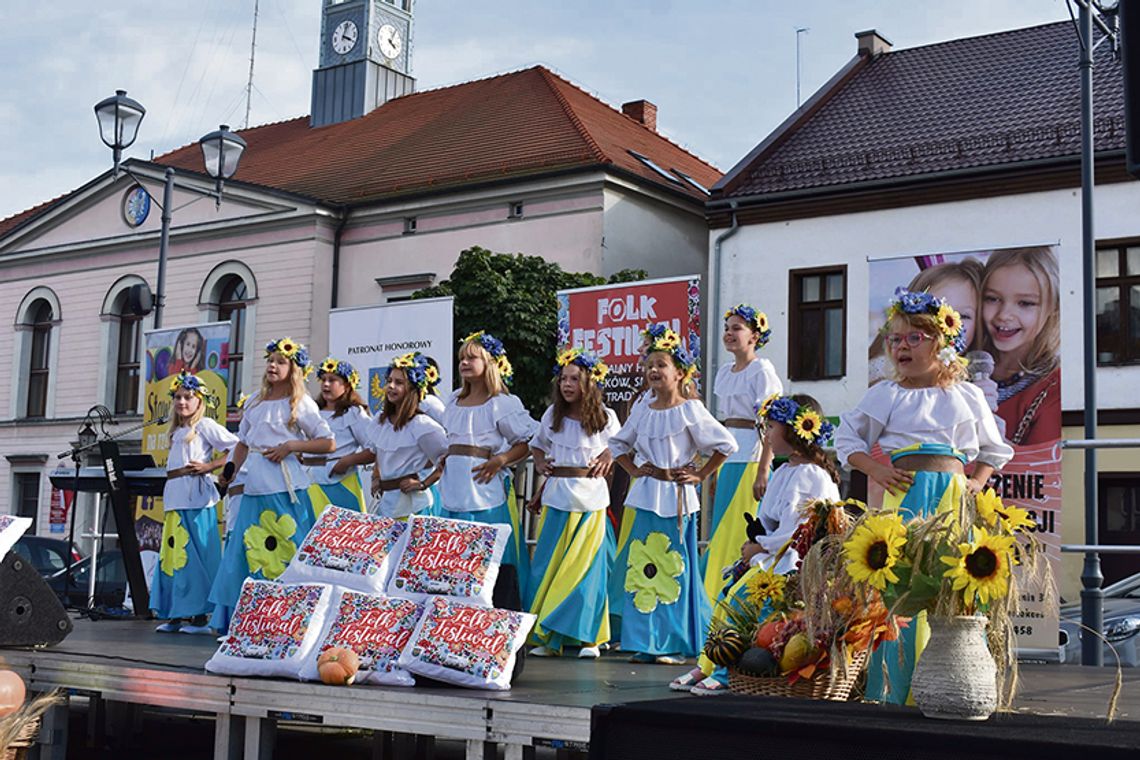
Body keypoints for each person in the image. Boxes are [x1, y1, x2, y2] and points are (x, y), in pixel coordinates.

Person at [835, 288, 1013, 704]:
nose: (901, 347)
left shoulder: (966, 395)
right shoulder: (886, 394)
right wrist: (876, 467)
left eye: (914, 338)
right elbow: (847, 438)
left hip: (951, 498)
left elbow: (994, 449)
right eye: (895, 339)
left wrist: (977, 481)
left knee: (952, 584)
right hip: (906, 499)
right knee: (901, 586)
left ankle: (950, 684)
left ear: (941, 342)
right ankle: (895, 688)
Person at [672, 392, 841, 695]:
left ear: (793, 430)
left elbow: (799, 531)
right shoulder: (785, 470)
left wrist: (760, 547)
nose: (767, 436)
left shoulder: (811, 475)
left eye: (772, 428)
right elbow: (767, 520)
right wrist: (754, 545)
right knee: (727, 596)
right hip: (772, 553)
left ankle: (727, 672)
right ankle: (708, 664)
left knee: (743, 603)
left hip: (793, 560)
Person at [608, 328, 737, 664]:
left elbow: (726, 445)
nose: (653, 370)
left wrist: (700, 473)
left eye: (661, 364)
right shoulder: (642, 410)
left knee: (671, 567)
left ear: (679, 372)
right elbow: (618, 444)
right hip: (648, 493)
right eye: (649, 364)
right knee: (643, 566)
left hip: (677, 497)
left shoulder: (691, 410)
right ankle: (644, 641)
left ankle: (671, 642)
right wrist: (633, 469)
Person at [209, 337, 335, 632]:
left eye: (281, 361)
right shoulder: (254, 401)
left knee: (286, 549)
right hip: (255, 486)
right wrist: (228, 472)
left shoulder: (299, 403)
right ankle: (245, 620)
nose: (273, 366)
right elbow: (242, 444)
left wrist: (291, 445)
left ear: (293, 368)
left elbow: (327, 442)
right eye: (270, 361)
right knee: (249, 549)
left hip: (286, 489)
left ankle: (289, 620)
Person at [526, 348, 620, 658]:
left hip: (590, 499)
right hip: (557, 496)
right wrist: (540, 464)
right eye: (564, 379)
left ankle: (589, 637)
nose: (567, 385)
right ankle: (549, 637)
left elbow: (621, 446)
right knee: (549, 567)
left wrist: (608, 455)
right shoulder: (552, 415)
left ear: (590, 383)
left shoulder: (606, 417)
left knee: (585, 570)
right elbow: (536, 446)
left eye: (575, 379)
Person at [438, 331, 537, 604]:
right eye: (462, 358)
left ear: (489, 363)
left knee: (491, 551)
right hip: (453, 486)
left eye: (472, 358)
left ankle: (498, 606)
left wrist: (501, 460)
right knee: (455, 551)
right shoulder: (453, 399)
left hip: (483, 488)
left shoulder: (501, 403)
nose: (464, 363)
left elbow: (526, 441)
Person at [700, 303, 782, 604]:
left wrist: (763, 469)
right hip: (729, 455)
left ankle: (732, 596)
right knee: (721, 525)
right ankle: (711, 595)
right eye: (727, 328)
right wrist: (712, 467)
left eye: (737, 328)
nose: (729, 334)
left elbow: (770, 423)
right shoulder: (724, 372)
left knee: (741, 527)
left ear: (754, 336)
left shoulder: (762, 370)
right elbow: (722, 424)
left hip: (751, 456)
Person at [151, 371, 237, 635]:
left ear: (199, 401)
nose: (182, 402)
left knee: (197, 556)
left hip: (197, 499)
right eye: (178, 397)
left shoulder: (206, 426)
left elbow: (236, 446)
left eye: (188, 397)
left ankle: (201, 616)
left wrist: (211, 466)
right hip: (176, 499)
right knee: (175, 556)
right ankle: (175, 614)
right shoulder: (176, 430)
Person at [980, 247, 1061, 447]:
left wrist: (996, 441)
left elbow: (1044, 470)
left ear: (1053, 307)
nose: (1004, 314)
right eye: (993, 299)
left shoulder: (1054, 388)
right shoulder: (958, 366)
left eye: (1025, 303)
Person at [868, 259, 985, 387]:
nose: (944, 328)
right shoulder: (887, 375)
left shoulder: (974, 375)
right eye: (934, 312)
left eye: (963, 316)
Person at [367, 352, 448, 519]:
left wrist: (423, 483)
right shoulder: (380, 421)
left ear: (412, 389)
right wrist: (376, 476)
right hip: (387, 505)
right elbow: (379, 453)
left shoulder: (422, 425)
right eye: (389, 381)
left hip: (414, 508)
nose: (391, 386)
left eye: (399, 383)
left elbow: (447, 460)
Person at [307, 357, 374, 516]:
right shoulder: (311, 412)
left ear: (347, 385)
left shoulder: (353, 413)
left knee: (343, 533)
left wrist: (347, 461)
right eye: (323, 380)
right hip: (310, 480)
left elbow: (373, 448)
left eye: (332, 380)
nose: (326, 384)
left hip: (340, 481)